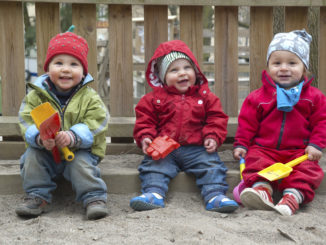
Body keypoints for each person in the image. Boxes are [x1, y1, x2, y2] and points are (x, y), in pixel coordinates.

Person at [129, 40, 239, 213]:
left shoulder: (205, 97)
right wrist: (146, 137)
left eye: (187, 68)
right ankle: (153, 194)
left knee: (211, 164)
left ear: (195, 71)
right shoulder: (154, 99)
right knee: (153, 165)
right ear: (163, 77)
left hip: (197, 148)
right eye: (174, 70)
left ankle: (215, 196)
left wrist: (212, 136)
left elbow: (216, 118)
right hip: (164, 148)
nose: (182, 73)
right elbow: (145, 120)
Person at [16, 26, 109, 220]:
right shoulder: (36, 95)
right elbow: (25, 119)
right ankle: (37, 196)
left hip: (79, 150)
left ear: (83, 72)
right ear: (48, 68)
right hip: (45, 150)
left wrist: (74, 136)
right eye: (58, 63)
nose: (66, 69)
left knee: (81, 164)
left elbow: (99, 122)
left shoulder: (90, 97)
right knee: (32, 158)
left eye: (74, 64)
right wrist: (40, 138)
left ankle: (93, 197)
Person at [233, 29, 326, 216]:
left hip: (299, 152)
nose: (283, 68)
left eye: (292, 63)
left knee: (309, 170)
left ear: (304, 68)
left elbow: (321, 122)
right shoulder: (258, 97)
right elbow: (247, 124)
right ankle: (262, 190)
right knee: (255, 161)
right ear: (268, 66)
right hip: (265, 149)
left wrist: (316, 145)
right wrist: (242, 144)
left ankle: (293, 196)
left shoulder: (314, 98)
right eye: (276, 63)